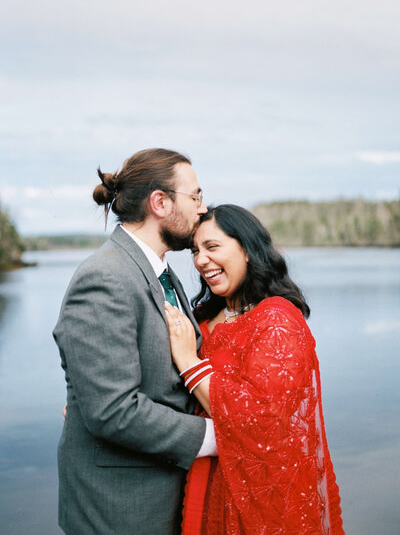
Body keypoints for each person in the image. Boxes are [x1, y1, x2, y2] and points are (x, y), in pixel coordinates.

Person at [53, 148, 217, 535]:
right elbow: (112, 410)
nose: (202, 208)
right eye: (195, 196)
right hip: (120, 509)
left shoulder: (160, 272)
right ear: (160, 202)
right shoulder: (105, 278)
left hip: (164, 493)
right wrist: (219, 437)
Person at [164, 204, 345, 534]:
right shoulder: (201, 319)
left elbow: (263, 417)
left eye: (212, 247)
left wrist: (190, 363)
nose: (200, 260)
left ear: (247, 249)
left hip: (258, 491)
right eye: (195, 250)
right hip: (203, 477)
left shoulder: (276, 319)